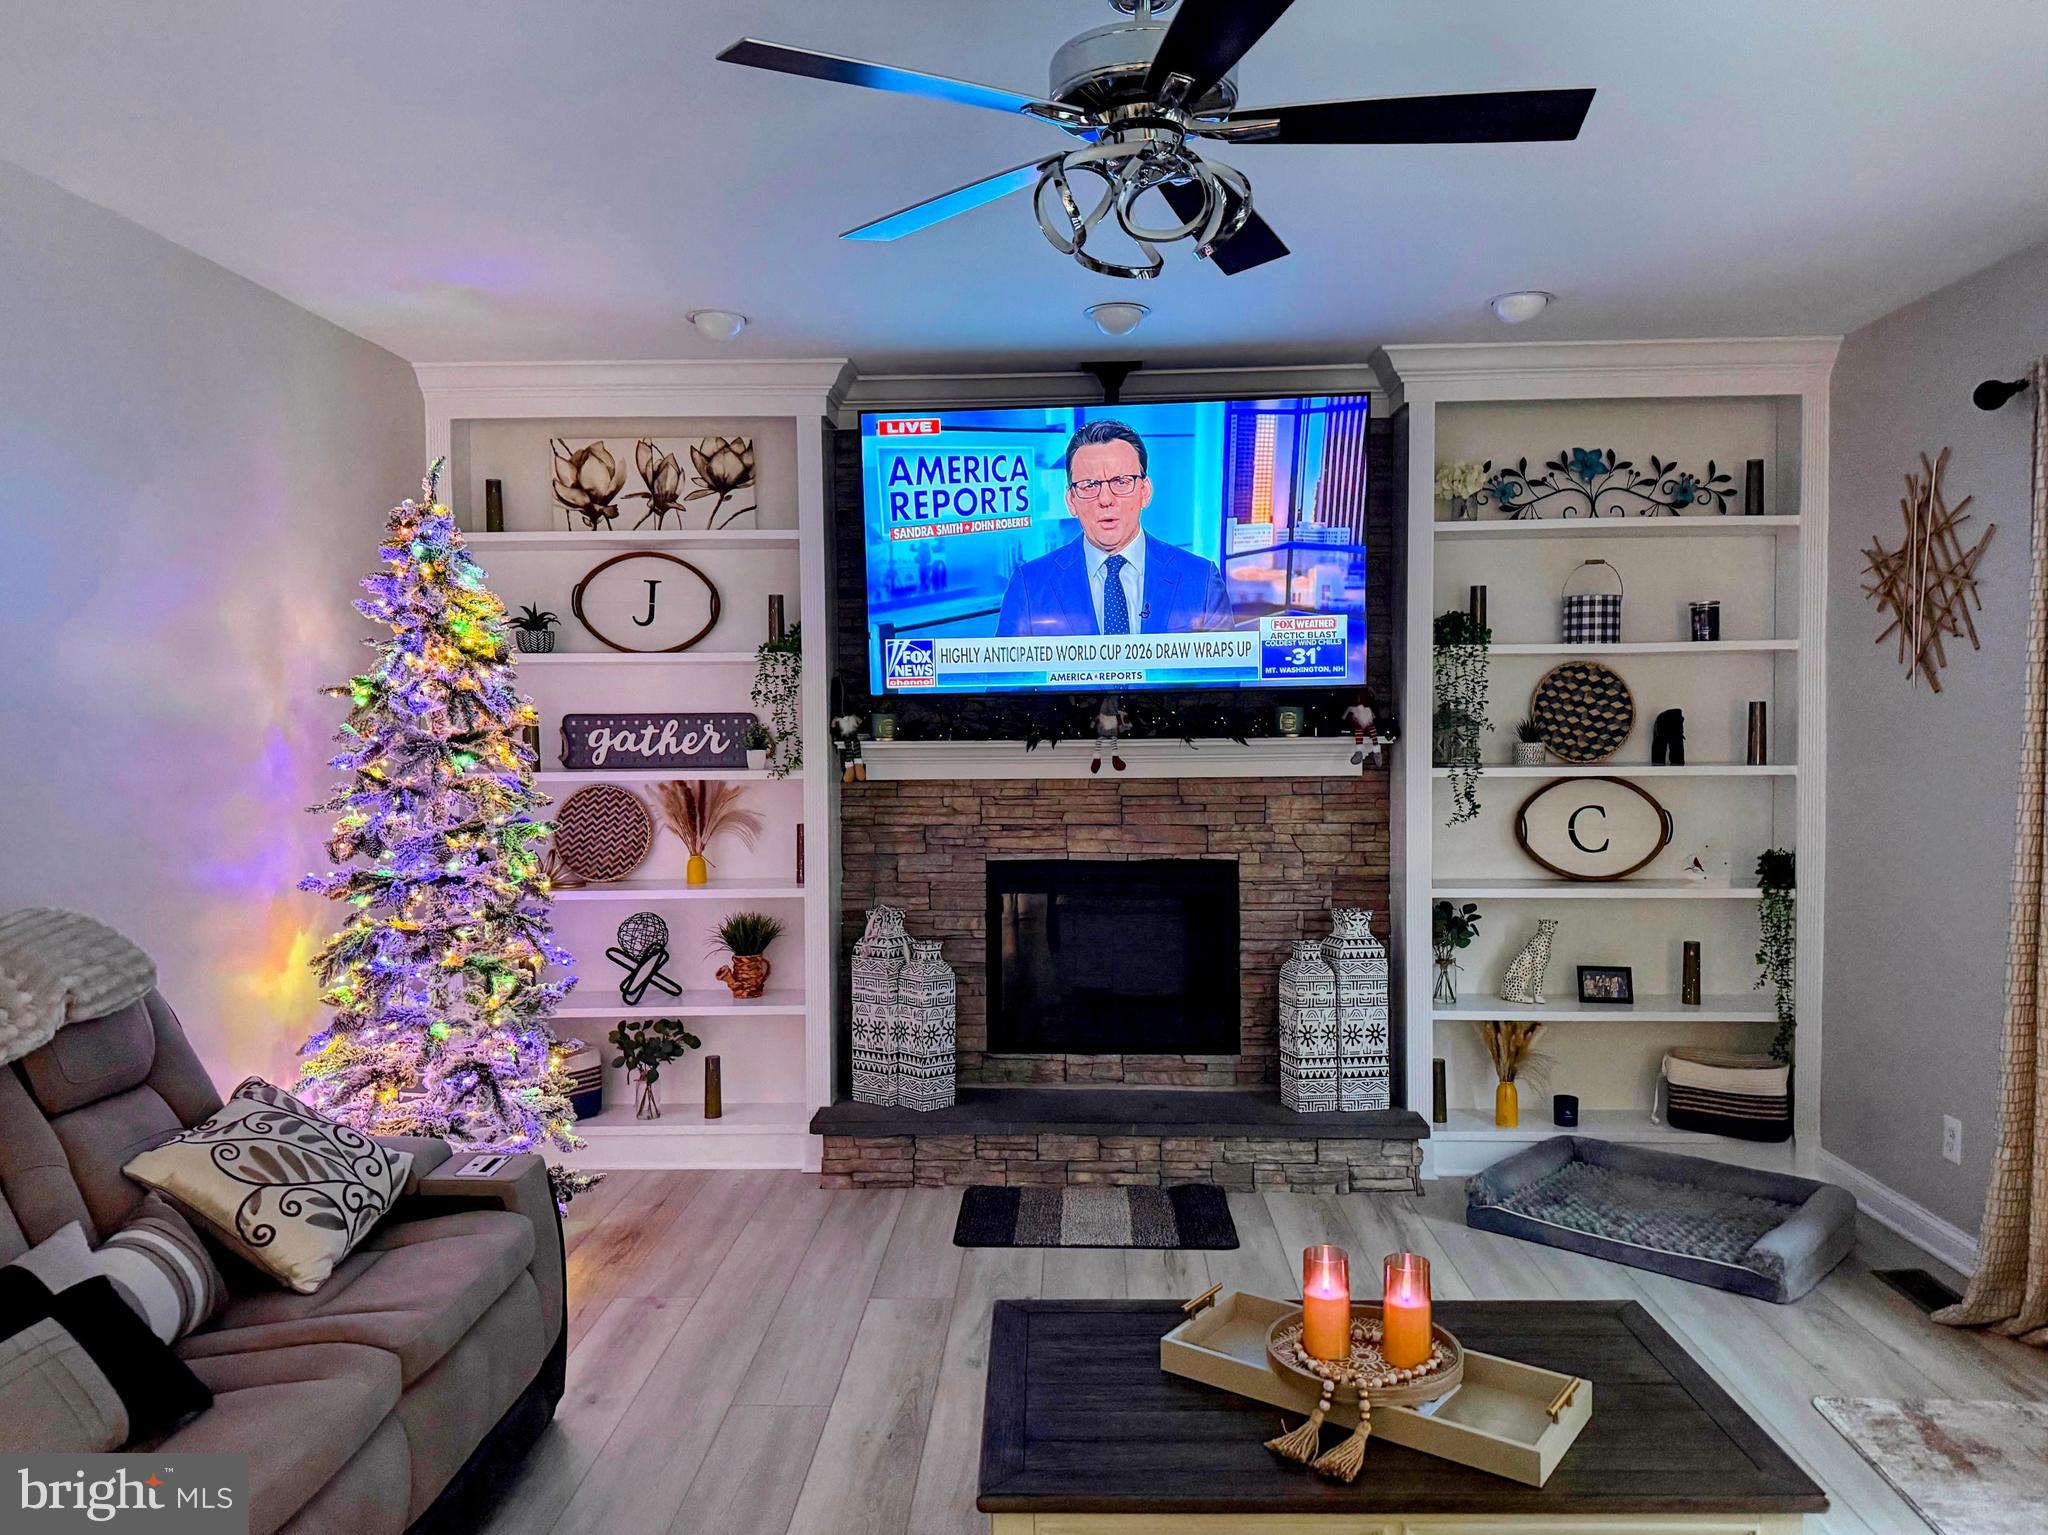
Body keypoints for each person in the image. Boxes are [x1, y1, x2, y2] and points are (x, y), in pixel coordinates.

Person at [995, 420, 1233, 638]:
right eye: (1089, 485)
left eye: (1121, 482)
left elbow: (1226, 680)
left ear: (1145, 492)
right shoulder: (1028, 586)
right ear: (1071, 500)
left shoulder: (1201, 580)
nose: (1106, 499)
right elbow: (1005, 683)